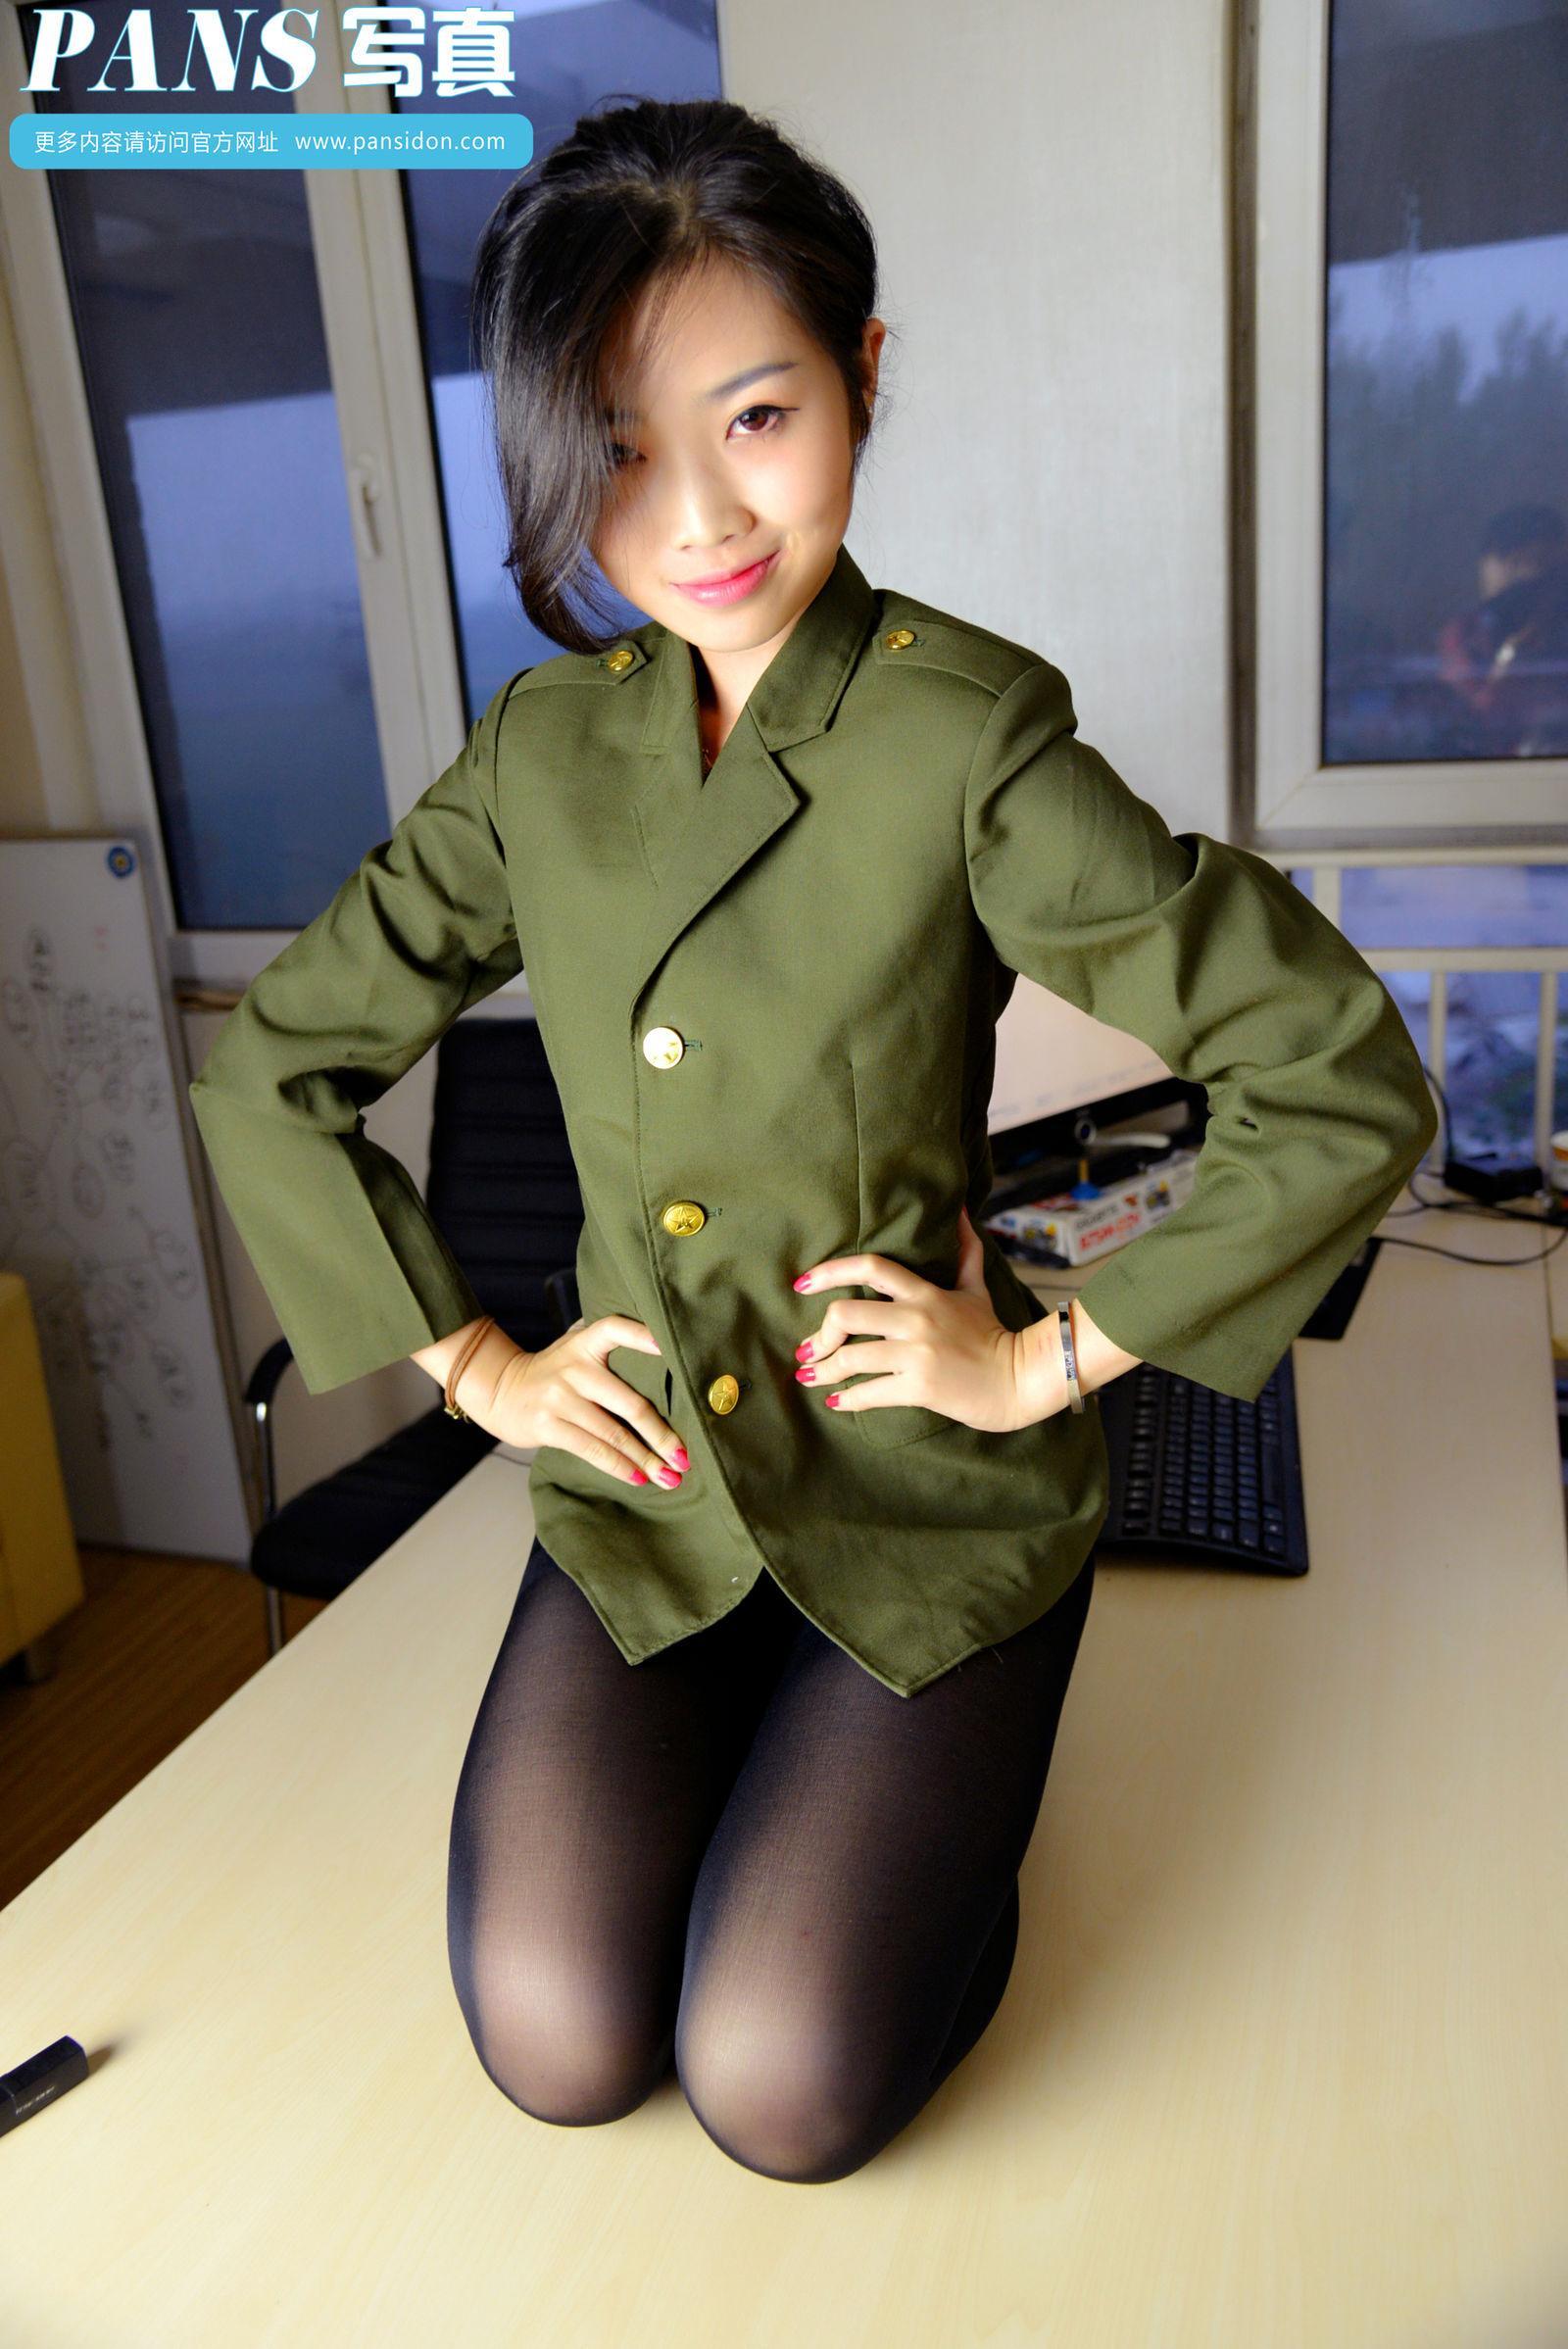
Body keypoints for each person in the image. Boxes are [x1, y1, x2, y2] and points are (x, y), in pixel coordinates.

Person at [188, 97, 1438, 2184]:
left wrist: (1041, 1361)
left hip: (914, 1474)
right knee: (560, 2034)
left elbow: (1338, 1070)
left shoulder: (966, 732)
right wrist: (478, 1368)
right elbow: (275, 1067)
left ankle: (943, 1837)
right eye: (615, 449)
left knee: (775, 2080)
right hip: (656, 1474)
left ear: (861, 372)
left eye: (755, 415)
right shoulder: (540, 752)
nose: (695, 515)